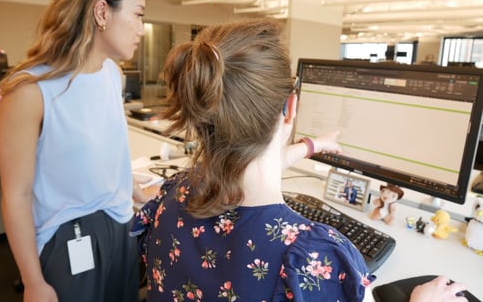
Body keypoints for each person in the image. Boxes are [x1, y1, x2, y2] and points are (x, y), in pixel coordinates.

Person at [131, 19, 469, 302]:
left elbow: (247, 169)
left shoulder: (170, 199)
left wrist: (309, 146)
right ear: (291, 106)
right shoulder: (311, 257)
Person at [0, 0, 145, 302]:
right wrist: (33, 282)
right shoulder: (29, 90)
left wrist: (133, 189)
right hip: (68, 239)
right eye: (138, 14)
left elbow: (106, 152)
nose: (140, 28)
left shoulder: (111, 76)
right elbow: (16, 196)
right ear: (102, 12)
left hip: (121, 229)